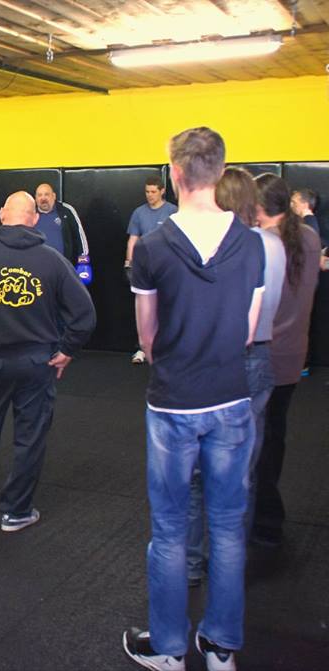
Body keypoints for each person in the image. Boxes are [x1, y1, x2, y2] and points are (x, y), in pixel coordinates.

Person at [122, 127, 265, 671]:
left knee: (170, 530)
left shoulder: (153, 247)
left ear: (175, 173)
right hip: (231, 401)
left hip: (174, 405)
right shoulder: (252, 243)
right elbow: (246, 332)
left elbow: (147, 339)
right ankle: (221, 647)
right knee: (227, 527)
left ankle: (168, 648)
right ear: (220, 171)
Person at [0, 191, 95, 532]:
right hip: (38, 364)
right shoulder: (52, 260)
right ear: (34, 219)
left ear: (2, 214)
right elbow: (85, 314)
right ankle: (17, 512)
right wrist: (67, 350)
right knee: (30, 437)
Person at [186, 167, 285, 588]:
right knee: (240, 471)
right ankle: (228, 567)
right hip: (258, 359)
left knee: (195, 472)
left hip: (216, 359)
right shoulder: (274, 244)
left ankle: (192, 563)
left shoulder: (219, 247)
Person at [251, 174, 322, 548]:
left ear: (258, 206)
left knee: (252, 442)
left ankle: (259, 520)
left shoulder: (261, 243)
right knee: (273, 436)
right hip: (293, 355)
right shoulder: (308, 238)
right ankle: (266, 520)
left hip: (262, 355)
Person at [125, 176, 177, 364]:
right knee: (143, 309)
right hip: (144, 267)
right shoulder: (139, 213)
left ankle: (166, 348)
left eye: (153, 191)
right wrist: (129, 262)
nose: (150, 195)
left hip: (166, 267)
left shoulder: (173, 211)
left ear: (162, 191)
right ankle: (142, 349)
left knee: (167, 308)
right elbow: (133, 239)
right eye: (147, 192)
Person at [33, 183, 89, 266]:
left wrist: (83, 263)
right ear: (35, 198)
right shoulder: (30, 213)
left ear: (54, 196)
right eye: (39, 195)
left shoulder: (66, 210)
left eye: (46, 194)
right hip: (37, 266)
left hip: (63, 266)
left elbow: (79, 237)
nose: (43, 198)